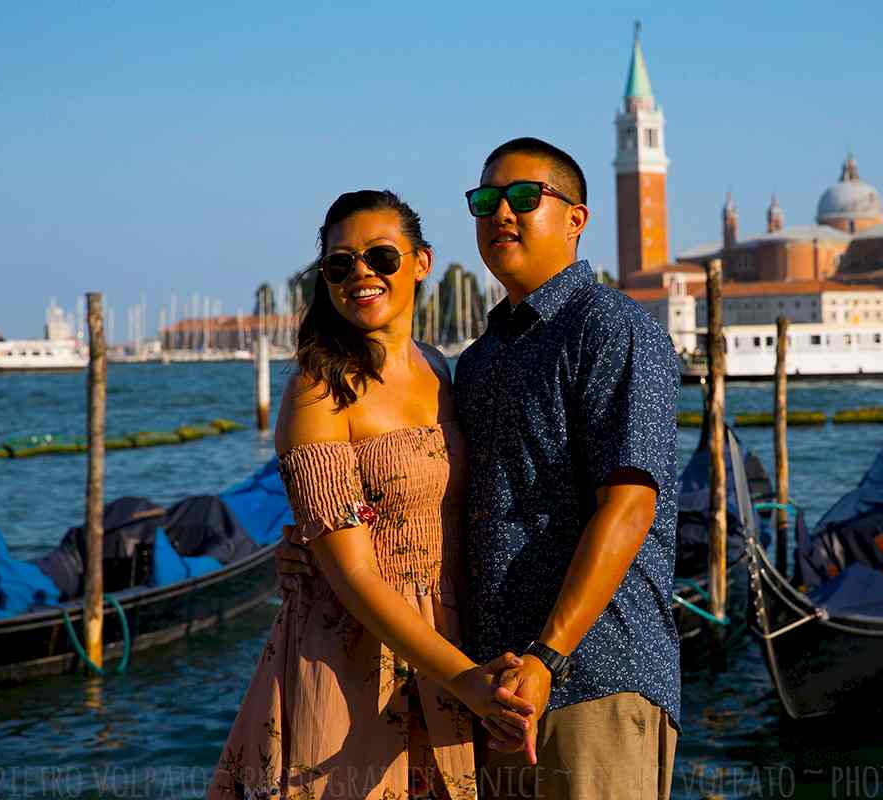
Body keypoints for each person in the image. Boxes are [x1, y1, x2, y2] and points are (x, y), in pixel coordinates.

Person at [208, 190, 534, 800]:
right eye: (340, 264)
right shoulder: (318, 389)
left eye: (381, 257)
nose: (361, 273)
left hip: (449, 634)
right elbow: (351, 572)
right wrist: (466, 681)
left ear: (421, 262)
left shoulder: (441, 369)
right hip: (353, 652)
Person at [456, 138, 681, 799]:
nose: (502, 213)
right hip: (496, 693)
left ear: (575, 219)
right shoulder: (477, 360)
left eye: (524, 197)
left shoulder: (611, 328)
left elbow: (631, 504)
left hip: (595, 682)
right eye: (486, 200)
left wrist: (547, 656)